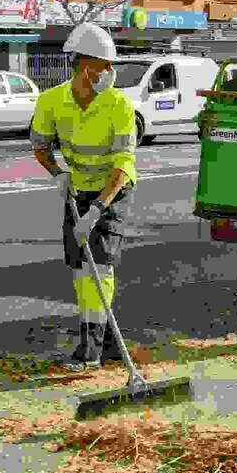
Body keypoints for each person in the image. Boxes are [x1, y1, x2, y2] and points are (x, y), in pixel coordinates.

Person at [29, 23, 137, 372]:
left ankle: (89, 349)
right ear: (84, 65)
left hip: (113, 190)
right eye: (105, 65)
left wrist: (98, 210)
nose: (110, 72)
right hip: (77, 190)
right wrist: (58, 174)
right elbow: (41, 147)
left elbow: (123, 163)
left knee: (100, 267)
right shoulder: (51, 102)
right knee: (80, 271)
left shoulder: (120, 105)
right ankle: (108, 345)